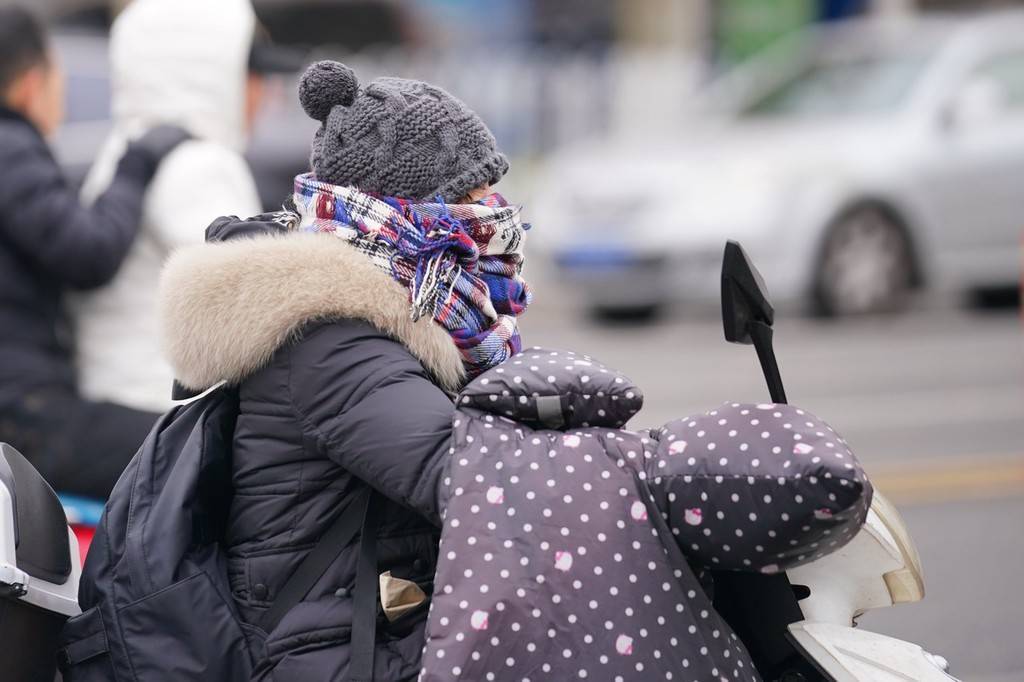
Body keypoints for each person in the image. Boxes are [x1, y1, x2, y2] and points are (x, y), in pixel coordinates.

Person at [158, 60, 520, 680]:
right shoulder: (334, 339)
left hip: (373, 631)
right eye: (470, 194)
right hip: (321, 652)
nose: (496, 210)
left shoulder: (429, 311)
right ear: (408, 212)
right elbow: (464, 472)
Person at [0, 6, 187, 499]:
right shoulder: (10, 145)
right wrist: (137, 160)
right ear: (29, 81)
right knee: (193, 444)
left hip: (22, 412)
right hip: (26, 418)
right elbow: (88, 252)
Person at [71, 0, 267, 414]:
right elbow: (250, 299)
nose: (262, 93)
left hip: (118, 397)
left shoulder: (126, 152)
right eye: (251, 72)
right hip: (164, 412)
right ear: (210, 74)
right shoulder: (197, 164)